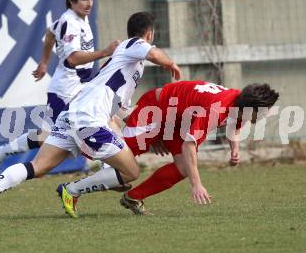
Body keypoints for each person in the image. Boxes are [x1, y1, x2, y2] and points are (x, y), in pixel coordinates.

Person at [0, 11, 181, 222]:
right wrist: (170, 63)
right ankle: (71, 190)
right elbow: (154, 54)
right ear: (149, 34)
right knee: (130, 172)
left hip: (74, 115)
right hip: (89, 119)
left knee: (38, 166)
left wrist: (150, 139)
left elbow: (123, 110)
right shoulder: (133, 44)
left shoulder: (127, 63)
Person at [73, 81, 278, 215]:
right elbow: (190, 146)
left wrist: (235, 150)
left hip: (176, 120)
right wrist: (196, 184)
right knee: (117, 157)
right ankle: (74, 170)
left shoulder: (238, 104)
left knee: (182, 168)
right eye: (264, 111)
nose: (265, 115)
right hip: (155, 108)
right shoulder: (216, 110)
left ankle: (133, 198)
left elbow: (235, 123)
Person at [0, 0, 120, 181]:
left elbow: (49, 32)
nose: (89, 3)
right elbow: (73, 58)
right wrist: (104, 52)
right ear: (72, 1)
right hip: (65, 92)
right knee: (46, 138)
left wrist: (44, 62)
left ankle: (108, 170)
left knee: (105, 120)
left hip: (80, 88)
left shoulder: (79, 18)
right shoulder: (69, 22)